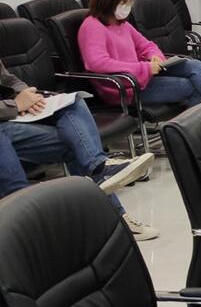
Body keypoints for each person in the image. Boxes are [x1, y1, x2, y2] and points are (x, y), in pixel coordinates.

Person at [0, 56, 157, 239]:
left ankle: (101, 173)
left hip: (9, 117)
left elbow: (7, 78)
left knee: (74, 106)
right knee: (77, 144)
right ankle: (25, 226)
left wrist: (26, 94)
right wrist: (15, 104)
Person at [79, 0, 201, 109]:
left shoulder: (122, 24)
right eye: (124, 2)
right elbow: (97, 63)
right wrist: (144, 68)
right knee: (189, 86)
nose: (128, 6)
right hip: (125, 88)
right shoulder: (92, 26)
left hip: (143, 77)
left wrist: (155, 56)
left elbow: (146, 45)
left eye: (130, 1)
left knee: (194, 65)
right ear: (108, 1)